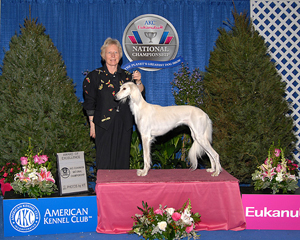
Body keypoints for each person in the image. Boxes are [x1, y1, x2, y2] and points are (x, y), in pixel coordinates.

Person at [82, 37, 144, 170]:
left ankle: (122, 190)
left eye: (115, 53)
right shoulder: (94, 76)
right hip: (103, 124)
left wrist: (138, 82)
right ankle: (105, 190)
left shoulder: (128, 76)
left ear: (120, 56)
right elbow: (90, 103)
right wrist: (92, 125)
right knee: (104, 162)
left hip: (124, 123)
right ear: (103, 55)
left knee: (122, 163)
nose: (113, 56)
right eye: (109, 53)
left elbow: (139, 96)